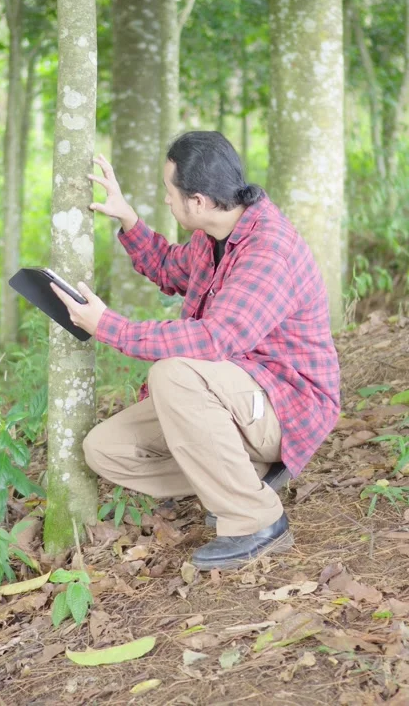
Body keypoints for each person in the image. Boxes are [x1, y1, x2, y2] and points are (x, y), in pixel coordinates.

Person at [51, 131, 340, 570]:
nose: (167, 200)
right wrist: (128, 218)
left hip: (286, 403)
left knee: (173, 373)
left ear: (199, 200)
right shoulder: (213, 234)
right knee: (105, 449)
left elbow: (214, 341)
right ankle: (246, 478)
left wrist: (109, 326)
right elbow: (170, 268)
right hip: (234, 396)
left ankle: (257, 521)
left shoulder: (268, 250)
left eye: (170, 192)